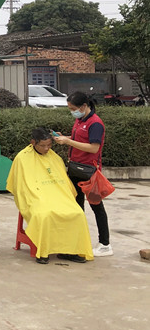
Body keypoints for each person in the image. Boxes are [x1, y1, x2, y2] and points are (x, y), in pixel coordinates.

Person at [7, 127, 93, 264]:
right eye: (43, 145)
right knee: (44, 215)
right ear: (33, 142)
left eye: (49, 145)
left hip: (59, 196)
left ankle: (70, 251)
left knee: (77, 213)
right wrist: (35, 195)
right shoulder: (22, 158)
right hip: (36, 196)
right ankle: (44, 251)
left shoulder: (55, 158)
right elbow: (20, 185)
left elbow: (64, 183)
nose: (47, 148)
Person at [52, 91, 113, 256]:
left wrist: (68, 141)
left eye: (73, 108)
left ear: (84, 106)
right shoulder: (80, 120)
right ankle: (77, 240)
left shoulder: (95, 123)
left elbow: (93, 148)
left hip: (90, 171)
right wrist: (64, 137)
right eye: (70, 109)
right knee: (76, 205)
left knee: (96, 206)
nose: (72, 111)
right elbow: (80, 139)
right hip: (75, 168)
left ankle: (105, 244)